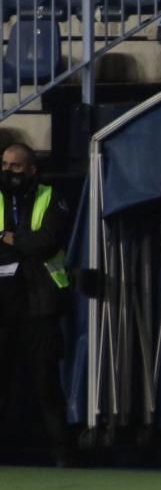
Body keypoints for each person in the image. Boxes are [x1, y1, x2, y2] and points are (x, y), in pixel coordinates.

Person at [0, 143, 72, 465]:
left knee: (45, 384)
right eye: (4, 165)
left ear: (31, 169)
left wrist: (10, 239)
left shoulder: (51, 196)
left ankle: (63, 454)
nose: (7, 172)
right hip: (4, 305)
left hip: (40, 305)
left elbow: (47, 241)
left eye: (14, 167)